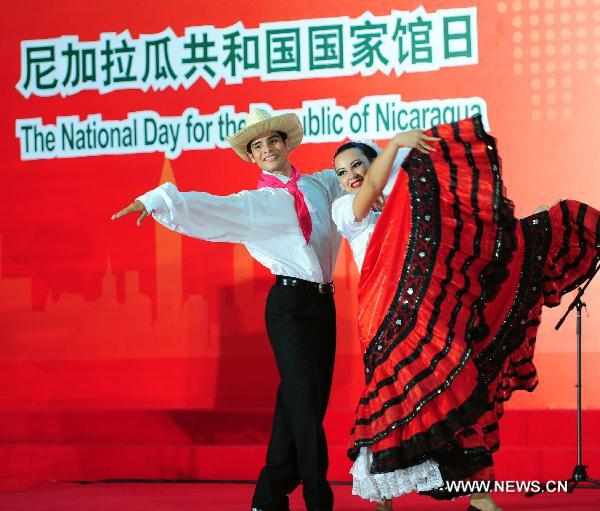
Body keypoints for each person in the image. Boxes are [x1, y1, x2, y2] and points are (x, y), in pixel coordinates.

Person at [330, 115, 600, 511]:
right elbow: (372, 189)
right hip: (385, 323)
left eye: (358, 164)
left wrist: (523, 232)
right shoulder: (346, 212)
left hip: (433, 318)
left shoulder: (418, 208)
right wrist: (395, 144)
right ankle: (382, 501)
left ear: (374, 163)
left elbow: (466, 243)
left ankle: (479, 496)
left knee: (455, 389)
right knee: (392, 403)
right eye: (342, 172)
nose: (352, 174)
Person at [112, 108, 343, 511]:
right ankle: (318, 501)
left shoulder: (319, 186)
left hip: (324, 304)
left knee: (301, 401)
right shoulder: (255, 203)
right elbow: (207, 207)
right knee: (305, 407)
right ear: (252, 158)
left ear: (286, 145)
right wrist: (153, 201)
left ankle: (268, 498)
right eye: (258, 146)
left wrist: (395, 153)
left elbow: (359, 167)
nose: (268, 149)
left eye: (273, 140)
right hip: (289, 306)